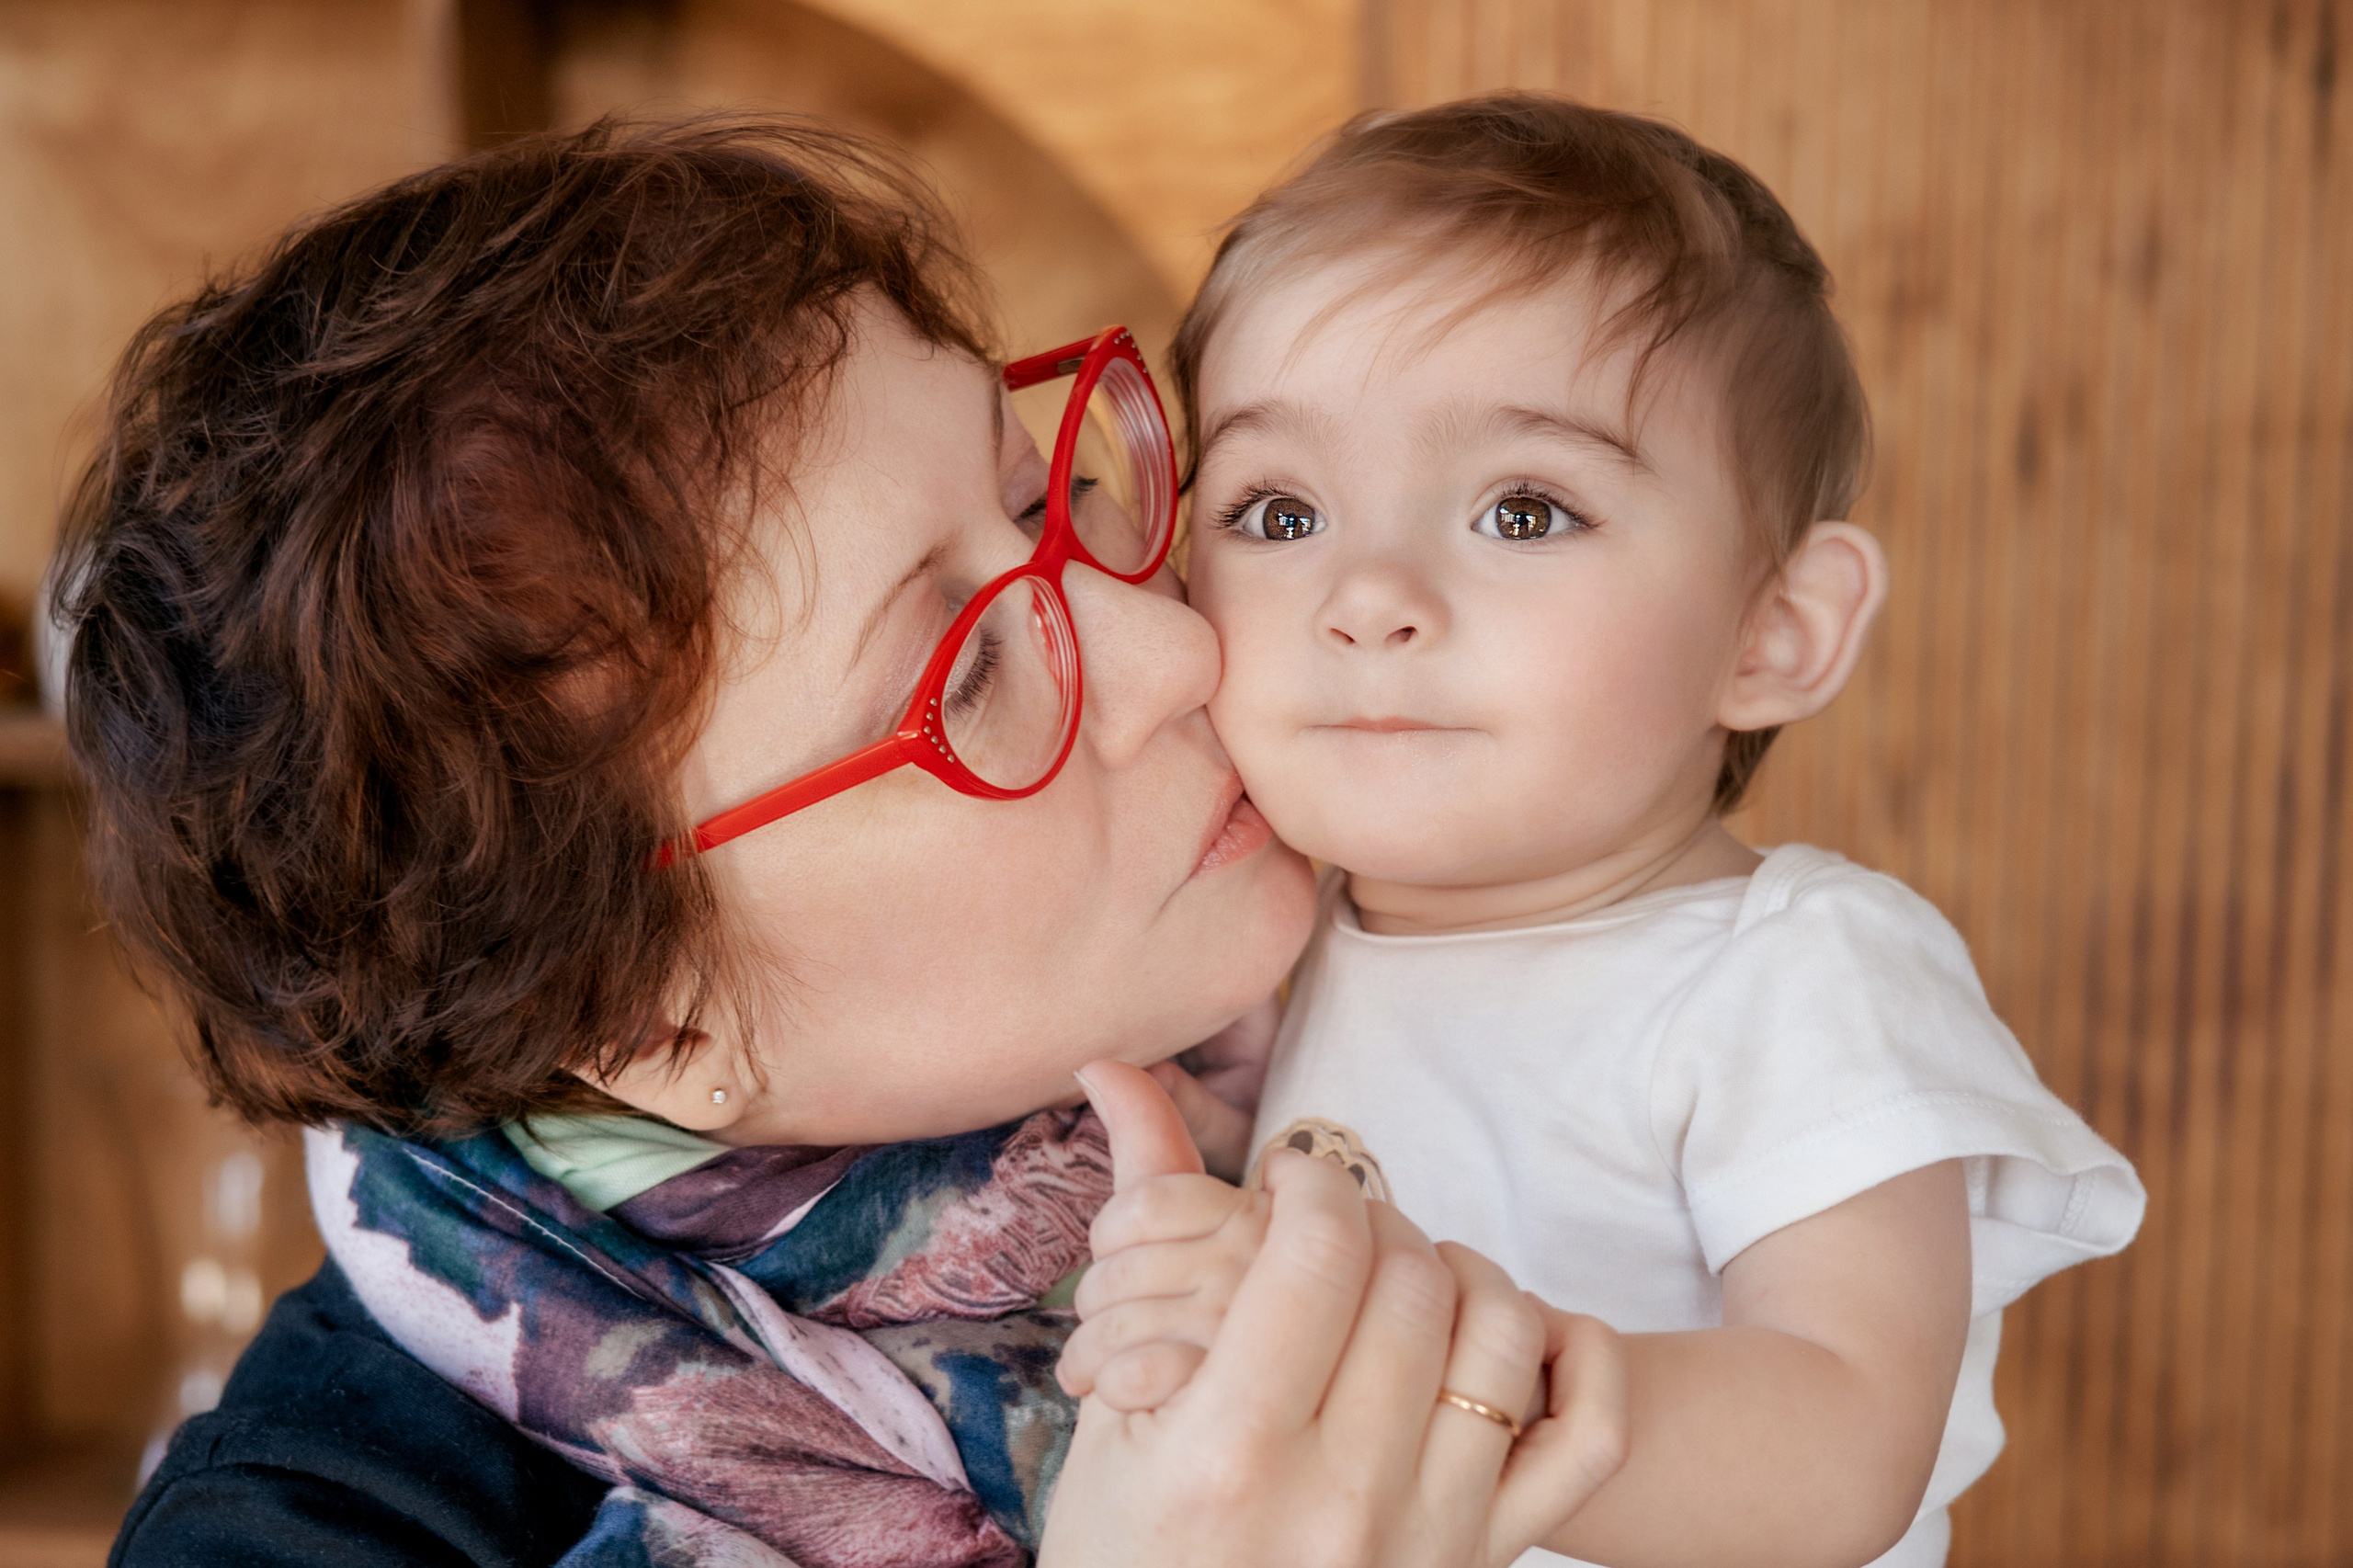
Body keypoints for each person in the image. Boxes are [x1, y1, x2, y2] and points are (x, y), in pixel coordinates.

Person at [63, 118, 1626, 1567]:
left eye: (1048, 491)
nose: (1176, 653)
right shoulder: (315, 1529)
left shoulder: (1435, 970)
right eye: (970, 676)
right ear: (653, 1018)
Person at [1060, 96, 2148, 1568]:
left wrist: (1399, 1359)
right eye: (1276, 510)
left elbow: (1840, 1443)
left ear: (1772, 628)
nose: (1367, 594)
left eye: (1521, 511)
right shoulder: (1268, 928)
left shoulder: (1802, 973)